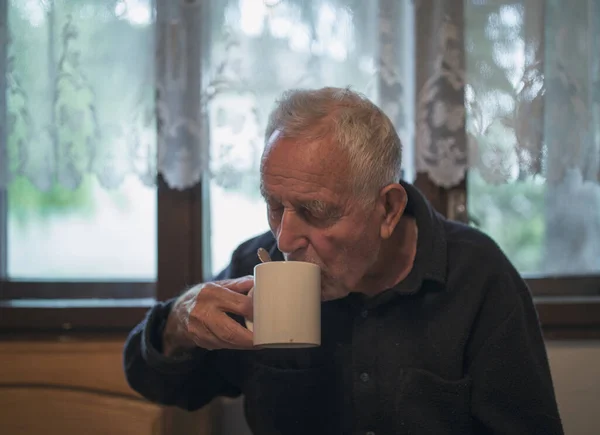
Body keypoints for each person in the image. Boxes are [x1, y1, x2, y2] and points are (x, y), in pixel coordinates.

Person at [123, 87, 564, 435]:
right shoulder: (257, 261)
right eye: (274, 205)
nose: (286, 238)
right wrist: (180, 322)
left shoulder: (477, 276)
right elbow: (159, 383)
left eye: (315, 211)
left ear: (388, 210)